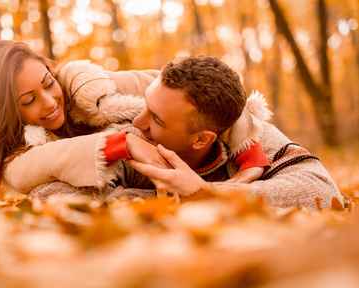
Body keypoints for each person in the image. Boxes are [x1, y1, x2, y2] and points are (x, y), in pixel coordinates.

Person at [0, 40, 269, 203]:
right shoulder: (19, 150)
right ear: (5, 113)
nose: (49, 101)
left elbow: (210, 95)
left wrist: (248, 165)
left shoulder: (91, 88)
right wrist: (121, 143)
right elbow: (22, 173)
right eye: (28, 100)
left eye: (48, 83)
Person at [31, 55, 343, 211]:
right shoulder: (133, 141)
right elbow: (46, 195)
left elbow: (324, 191)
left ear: (203, 138)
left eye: (157, 118)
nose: (137, 122)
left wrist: (205, 192)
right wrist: (176, 201)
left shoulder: (252, 137)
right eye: (146, 105)